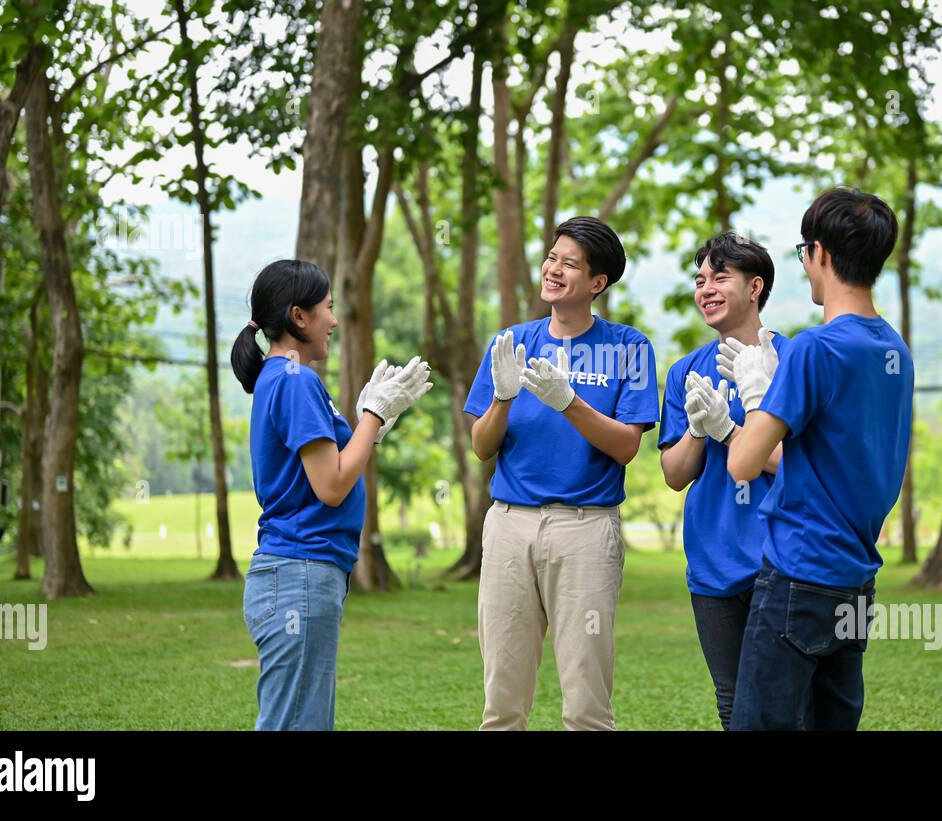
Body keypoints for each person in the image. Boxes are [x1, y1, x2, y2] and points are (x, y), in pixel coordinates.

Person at [723, 188, 914, 731]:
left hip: (798, 573)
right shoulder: (893, 351)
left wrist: (756, 393)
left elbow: (742, 462)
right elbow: (832, 457)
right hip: (855, 580)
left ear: (820, 254)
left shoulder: (816, 348)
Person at [464, 216, 659, 730]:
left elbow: (626, 447)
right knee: (502, 699)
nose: (553, 269)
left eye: (569, 263)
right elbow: (482, 446)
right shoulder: (511, 343)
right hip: (508, 524)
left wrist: (569, 401)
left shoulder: (630, 348)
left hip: (586, 529)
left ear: (597, 283)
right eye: (552, 257)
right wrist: (504, 397)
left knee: (586, 702)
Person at [230, 258, 433, 730]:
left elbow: (326, 469)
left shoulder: (281, 378)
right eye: (328, 307)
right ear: (298, 317)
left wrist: (368, 425)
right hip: (299, 574)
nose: (335, 320)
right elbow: (333, 486)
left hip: (299, 575)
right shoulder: (297, 381)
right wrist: (374, 417)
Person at [658, 231, 788, 730]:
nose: (706, 288)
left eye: (720, 277)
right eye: (700, 279)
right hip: (711, 564)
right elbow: (674, 475)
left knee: (783, 700)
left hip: (779, 560)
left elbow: (796, 463)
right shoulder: (685, 372)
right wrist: (696, 430)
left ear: (755, 287)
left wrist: (732, 432)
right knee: (732, 701)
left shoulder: (793, 361)